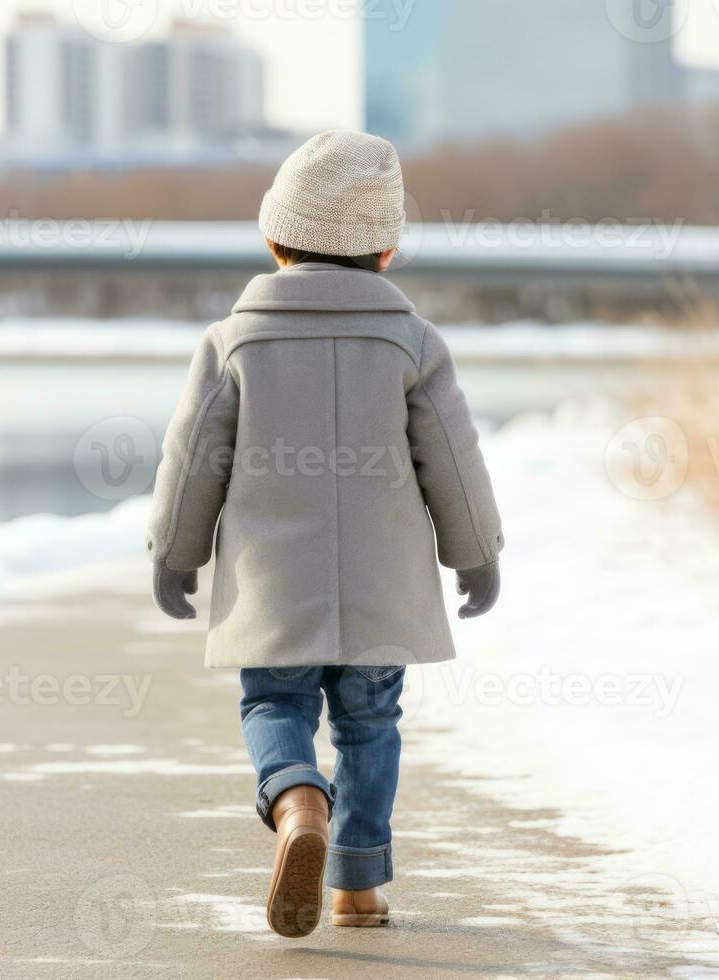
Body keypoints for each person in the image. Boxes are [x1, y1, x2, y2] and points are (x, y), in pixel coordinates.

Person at [148, 130, 503, 938]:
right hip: (382, 585)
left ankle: (296, 798)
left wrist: (174, 554)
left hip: (273, 583)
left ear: (274, 241)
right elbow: (452, 458)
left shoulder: (234, 340)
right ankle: (356, 886)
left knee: (274, 699)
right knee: (371, 723)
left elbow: (193, 456)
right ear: (385, 253)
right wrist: (475, 555)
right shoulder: (412, 341)